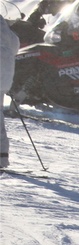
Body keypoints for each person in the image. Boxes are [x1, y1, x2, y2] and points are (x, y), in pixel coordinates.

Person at [0, 17, 19, 170]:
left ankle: (1, 158)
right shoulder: (6, 29)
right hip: (5, 78)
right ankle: (2, 156)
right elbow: (15, 46)